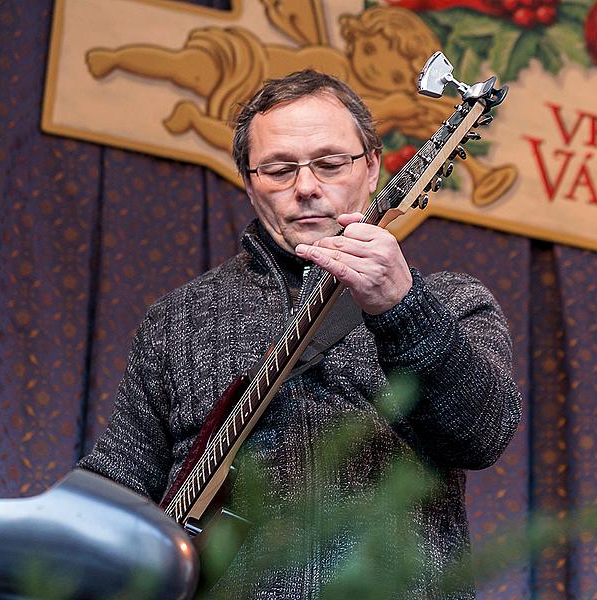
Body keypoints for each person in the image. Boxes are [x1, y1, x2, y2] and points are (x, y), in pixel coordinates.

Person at [79, 70, 521, 598]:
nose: (307, 187)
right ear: (248, 182)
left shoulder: (452, 303)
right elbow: (116, 487)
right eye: (279, 170)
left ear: (374, 166)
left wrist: (402, 309)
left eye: (330, 164)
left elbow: (483, 434)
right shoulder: (179, 319)